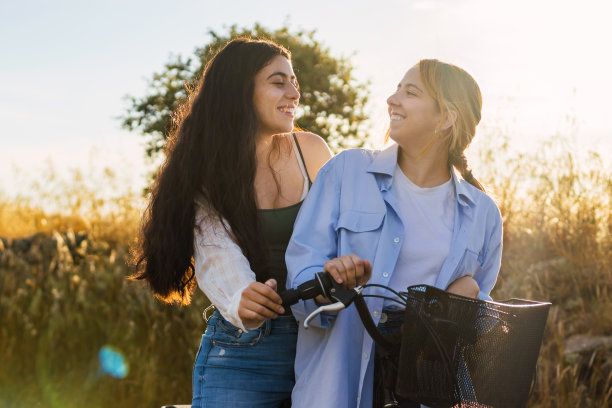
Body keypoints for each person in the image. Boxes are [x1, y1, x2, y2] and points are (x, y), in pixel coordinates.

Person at [285, 59, 503, 408]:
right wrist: (330, 282)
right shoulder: (346, 171)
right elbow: (300, 272)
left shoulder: (484, 214)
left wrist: (470, 300)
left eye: (410, 92)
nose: (392, 99)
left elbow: (474, 328)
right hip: (336, 391)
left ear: (446, 118)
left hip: (425, 395)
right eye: (397, 89)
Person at [131, 38, 332, 407]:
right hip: (245, 354)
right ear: (241, 91)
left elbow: (345, 233)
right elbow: (216, 252)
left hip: (325, 345)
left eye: (294, 81)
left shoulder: (312, 151)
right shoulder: (206, 172)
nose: (294, 93)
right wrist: (242, 295)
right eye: (278, 82)